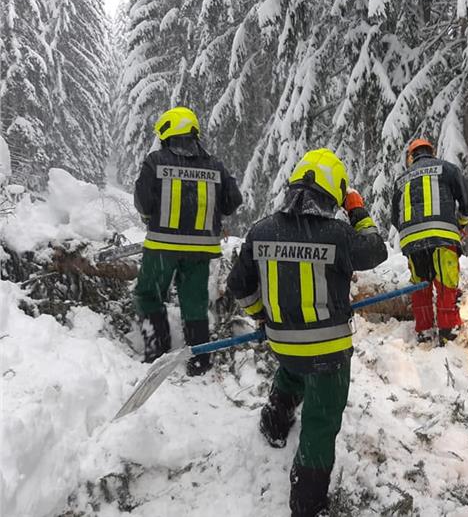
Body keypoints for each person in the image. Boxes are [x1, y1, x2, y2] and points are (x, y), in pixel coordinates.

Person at [226, 148, 387, 517]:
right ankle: (307, 504)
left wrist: (261, 316)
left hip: (283, 344)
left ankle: (274, 423)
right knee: (320, 421)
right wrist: (357, 209)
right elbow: (376, 250)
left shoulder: (262, 230)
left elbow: (239, 285)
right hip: (329, 351)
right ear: (333, 193)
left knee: (292, 369)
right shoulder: (339, 235)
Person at [134, 106, 243, 375]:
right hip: (200, 250)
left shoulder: (155, 161)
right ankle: (199, 361)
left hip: (162, 245)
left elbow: (143, 201)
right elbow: (233, 202)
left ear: (169, 133)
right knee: (194, 303)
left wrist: (151, 216)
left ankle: (156, 352)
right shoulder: (216, 165)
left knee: (149, 295)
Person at [390, 138, 468, 346]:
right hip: (442, 236)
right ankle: (448, 330)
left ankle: (425, 330)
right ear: (432, 152)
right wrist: (461, 224)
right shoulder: (447, 170)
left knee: (421, 285)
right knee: (447, 283)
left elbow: (395, 217)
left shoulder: (401, 180)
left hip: (412, 241)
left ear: (411, 157)